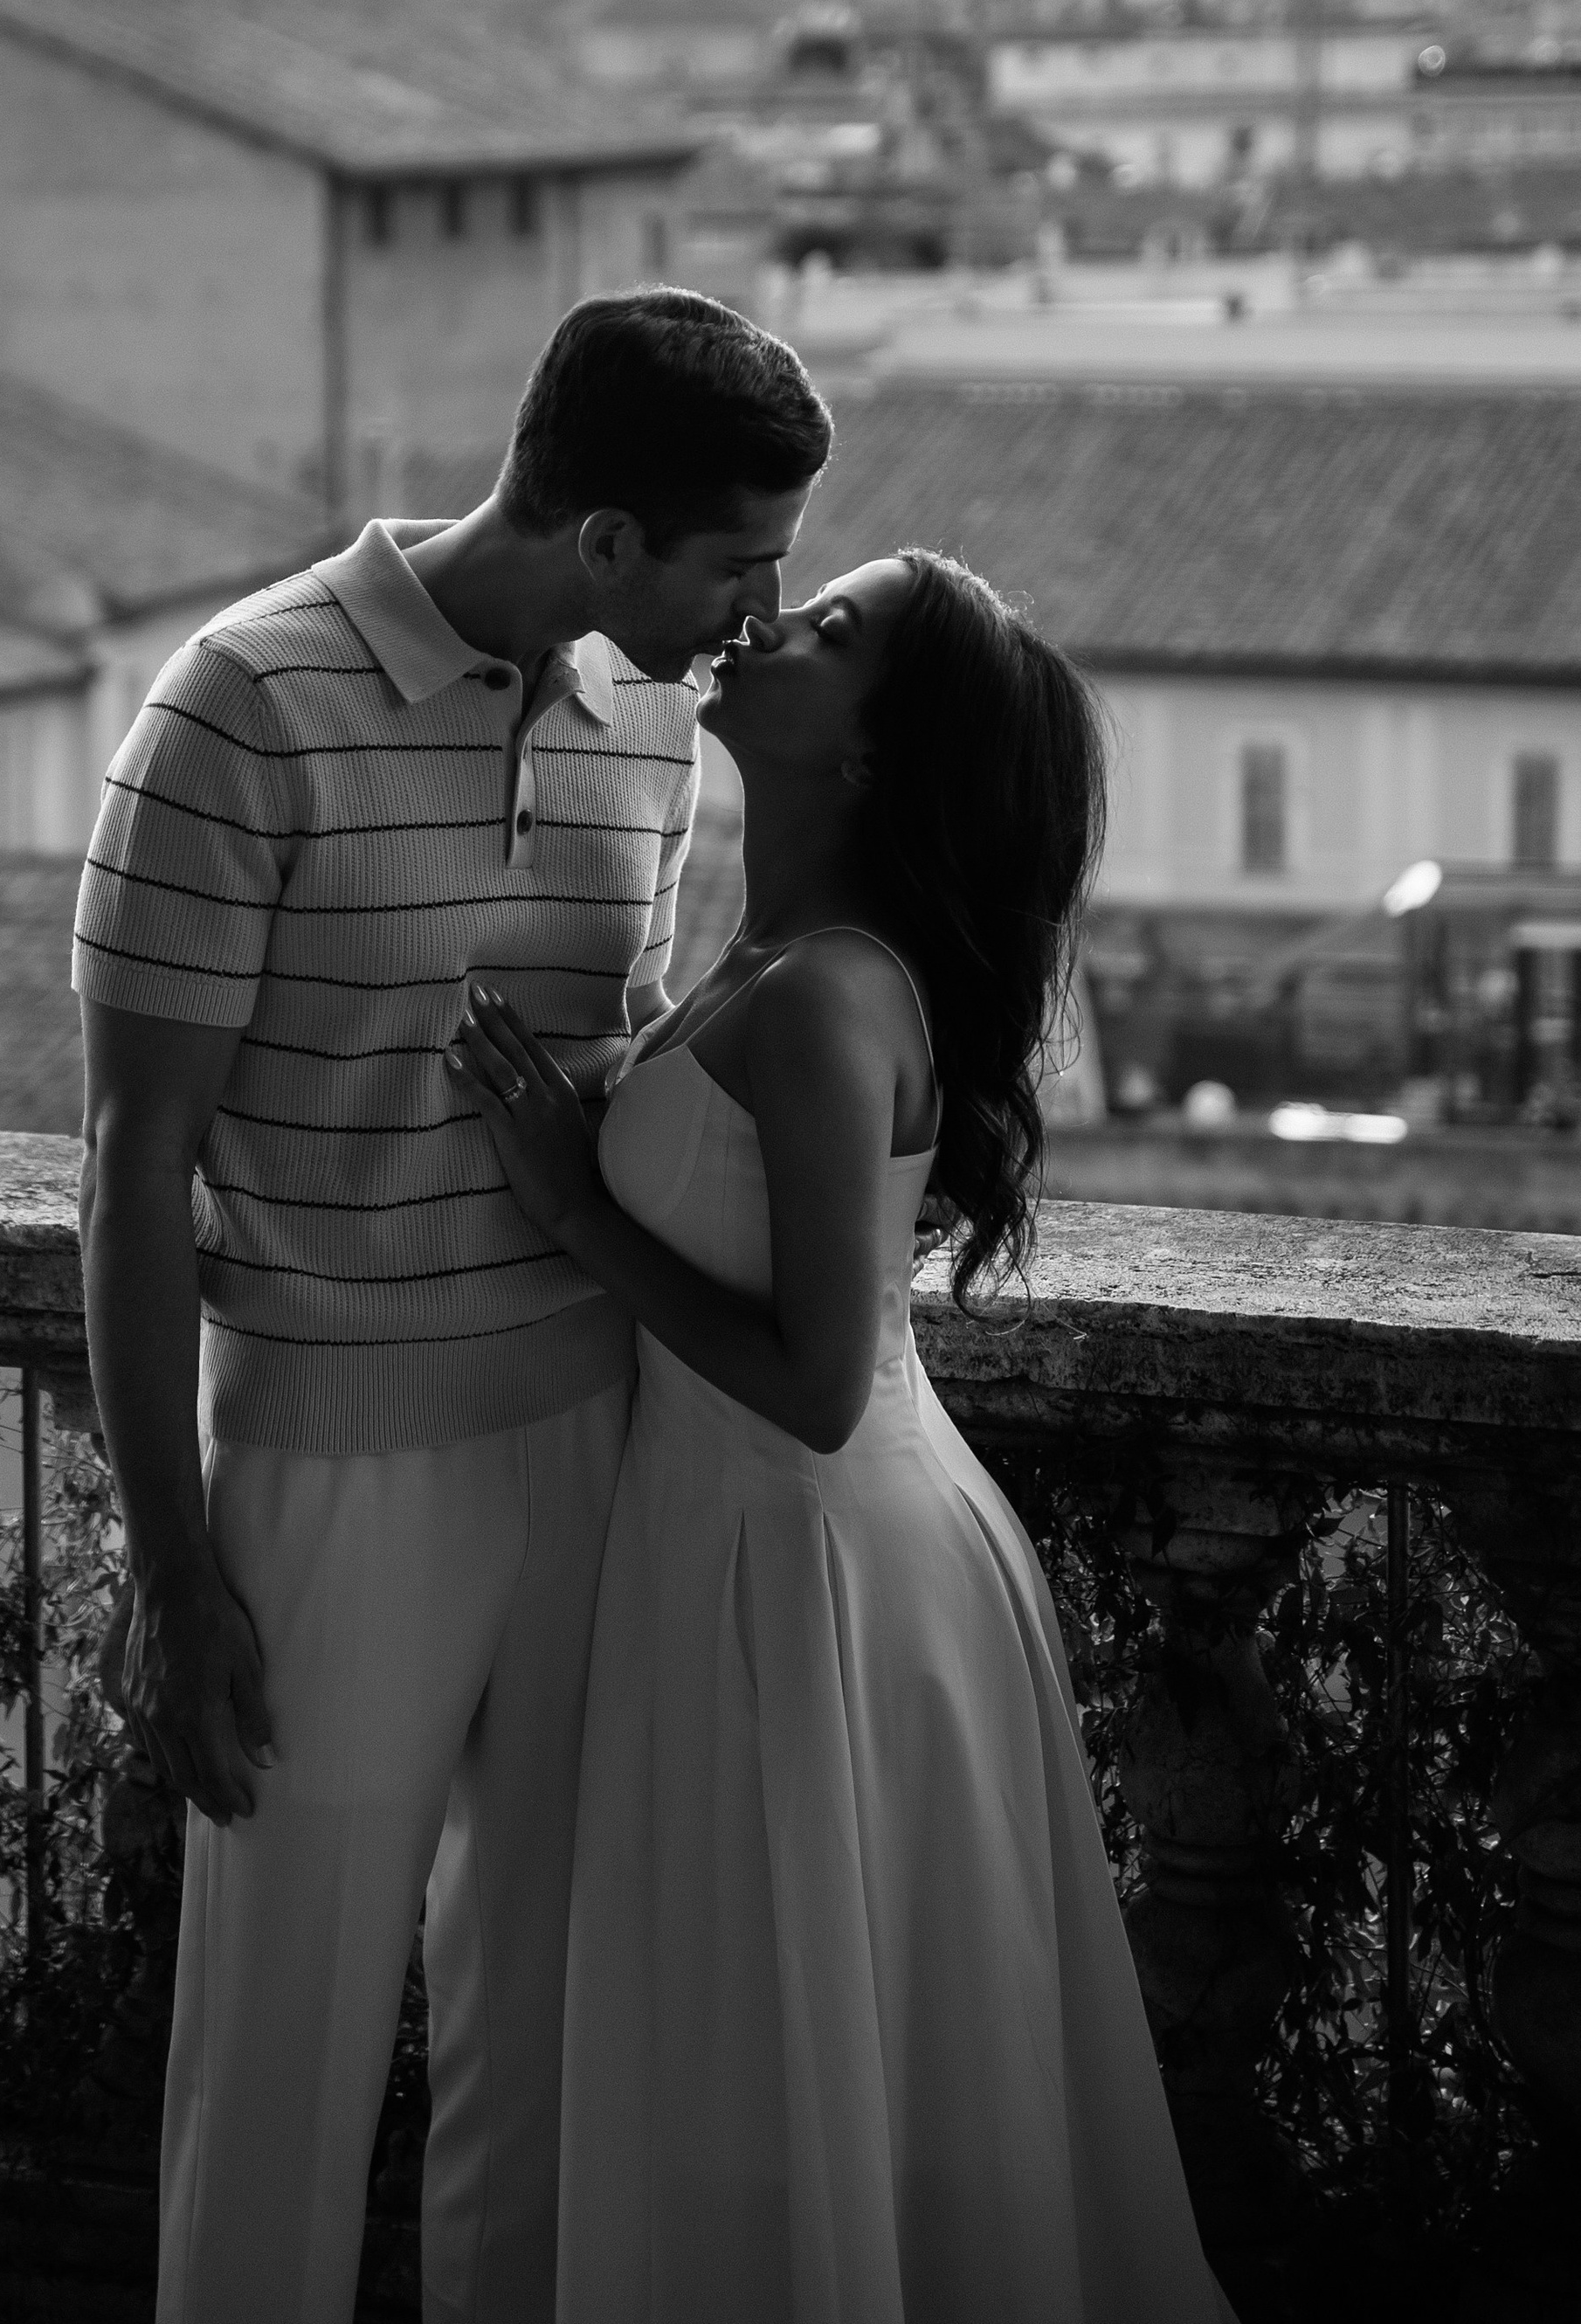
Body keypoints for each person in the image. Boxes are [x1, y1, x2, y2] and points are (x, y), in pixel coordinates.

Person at [73, 288, 833, 2324]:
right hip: (328, 1473)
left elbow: (630, 1078)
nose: (759, 616)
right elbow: (130, 1162)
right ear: (601, 544)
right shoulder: (238, 702)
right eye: (735, 565)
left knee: (549, 2054)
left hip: (599, 1452)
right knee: (280, 2055)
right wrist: (172, 1566)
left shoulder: (655, 726)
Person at [450, 550, 1238, 2323]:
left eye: (830, 633)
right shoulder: (776, 955)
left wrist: (576, 1205)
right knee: (776, 2049)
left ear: (872, 752)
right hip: (748, 1538)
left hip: (795, 1556)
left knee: (785, 2050)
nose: (768, 626)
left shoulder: (819, 997)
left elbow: (810, 1382)